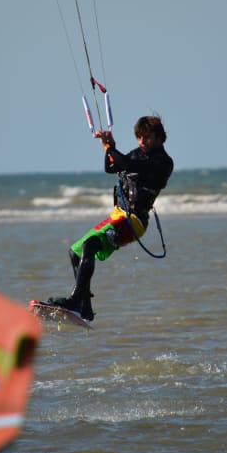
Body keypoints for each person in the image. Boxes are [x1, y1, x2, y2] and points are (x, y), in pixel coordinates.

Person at [48, 115, 174, 321]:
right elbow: (112, 166)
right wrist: (110, 147)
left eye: (148, 137)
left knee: (90, 246)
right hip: (118, 215)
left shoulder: (163, 161)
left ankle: (75, 300)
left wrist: (110, 148)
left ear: (160, 138)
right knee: (75, 252)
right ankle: (85, 308)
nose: (142, 142)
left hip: (134, 221)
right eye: (139, 137)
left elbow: (128, 164)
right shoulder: (138, 153)